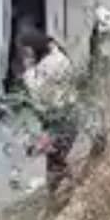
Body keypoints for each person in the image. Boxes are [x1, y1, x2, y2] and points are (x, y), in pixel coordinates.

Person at [19, 30, 79, 191]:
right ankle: (66, 189)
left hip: (62, 119)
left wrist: (28, 69)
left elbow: (37, 91)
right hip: (65, 116)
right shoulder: (57, 56)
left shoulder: (49, 65)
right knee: (55, 159)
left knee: (55, 161)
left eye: (26, 51)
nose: (24, 54)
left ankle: (67, 191)